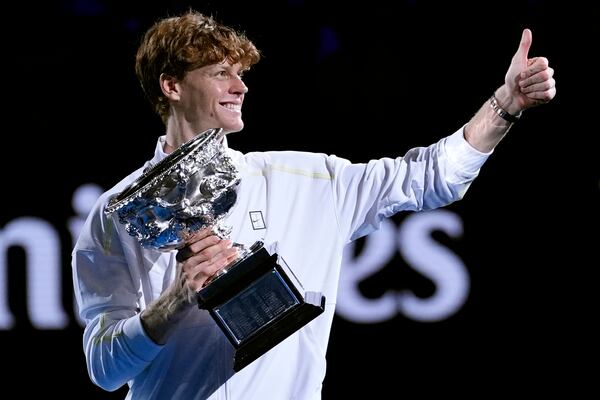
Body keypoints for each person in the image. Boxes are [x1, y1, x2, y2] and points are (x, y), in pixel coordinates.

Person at [72, 9, 556, 400]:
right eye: (221, 74)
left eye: (240, 75)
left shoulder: (306, 180)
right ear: (171, 86)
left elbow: (430, 177)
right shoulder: (116, 215)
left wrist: (505, 104)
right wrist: (174, 304)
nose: (241, 87)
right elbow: (105, 369)